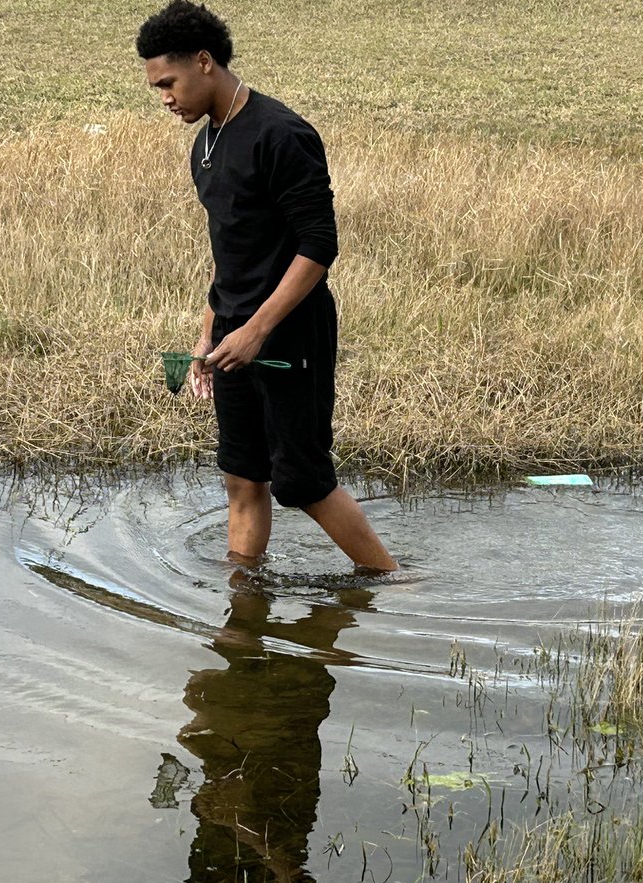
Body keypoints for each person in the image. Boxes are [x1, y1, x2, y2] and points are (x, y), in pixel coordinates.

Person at [136, 0, 397, 572]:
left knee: (303, 481)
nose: (165, 98)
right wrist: (207, 338)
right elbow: (228, 255)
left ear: (204, 62)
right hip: (233, 336)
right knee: (242, 474)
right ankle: (242, 604)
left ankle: (393, 585)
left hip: (289, 334)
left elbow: (318, 246)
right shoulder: (203, 146)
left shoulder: (281, 134)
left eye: (168, 82)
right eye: (157, 87)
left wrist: (256, 330)